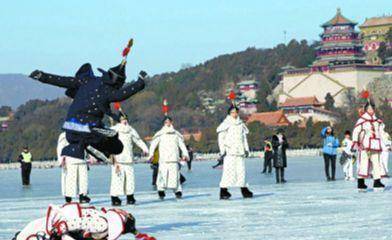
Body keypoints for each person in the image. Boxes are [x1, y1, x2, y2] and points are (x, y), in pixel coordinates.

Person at [29, 58, 146, 164]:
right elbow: (123, 94)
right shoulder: (109, 91)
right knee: (117, 145)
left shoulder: (86, 80)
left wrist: (42, 76)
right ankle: (92, 147)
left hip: (70, 127)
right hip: (89, 129)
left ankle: (85, 145)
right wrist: (139, 83)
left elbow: (62, 80)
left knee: (88, 138)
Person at [13, 203, 155, 240]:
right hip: (59, 228)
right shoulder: (104, 224)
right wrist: (62, 227)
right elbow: (80, 223)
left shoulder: (105, 221)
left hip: (62, 228)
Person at [110, 113, 149, 206]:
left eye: (126, 119)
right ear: (119, 120)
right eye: (123, 119)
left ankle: (130, 196)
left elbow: (137, 140)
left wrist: (145, 149)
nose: (125, 121)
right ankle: (115, 197)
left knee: (130, 179)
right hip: (117, 159)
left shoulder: (131, 130)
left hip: (128, 158)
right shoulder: (114, 129)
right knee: (117, 179)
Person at [217, 105, 253, 200]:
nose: (235, 114)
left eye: (236, 112)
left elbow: (244, 138)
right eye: (233, 112)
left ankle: (244, 189)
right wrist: (222, 151)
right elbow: (221, 138)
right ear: (229, 113)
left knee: (241, 171)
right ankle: (223, 190)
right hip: (230, 151)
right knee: (228, 172)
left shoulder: (241, 124)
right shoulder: (226, 124)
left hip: (239, 151)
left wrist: (246, 149)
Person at [148, 116, 189, 200]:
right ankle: (161, 190)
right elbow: (153, 145)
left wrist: (185, 154)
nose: (168, 123)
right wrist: (151, 155)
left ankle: (178, 191)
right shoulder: (160, 134)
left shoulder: (176, 134)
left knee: (175, 176)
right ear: (164, 123)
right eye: (166, 122)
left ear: (172, 122)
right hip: (163, 159)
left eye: (169, 121)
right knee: (162, 175)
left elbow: (182, 145)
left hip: (174, 159)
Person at [352, 101, 388, 191]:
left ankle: (377, 181)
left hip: (376, 145)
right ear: (366, 110)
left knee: (376, 163)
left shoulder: (377, 121)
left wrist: (387, 143)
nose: (371, 110)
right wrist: (355, 142)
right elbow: (356, 131)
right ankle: (361, 183)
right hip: (365, 145)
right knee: (363, 163)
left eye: (372, 108)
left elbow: (382, 133)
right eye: (369, 109)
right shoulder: (362, 120)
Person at [57, 132, 90, 204]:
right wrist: (61, 160)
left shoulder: (82, 133)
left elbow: (87, 146)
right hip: (70, 159)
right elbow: (60, 147)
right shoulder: (64, 135)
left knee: (83, 179)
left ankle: (82, 195)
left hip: (81, 159)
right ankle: (69, 196)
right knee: (71, 179)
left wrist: (88, 158)